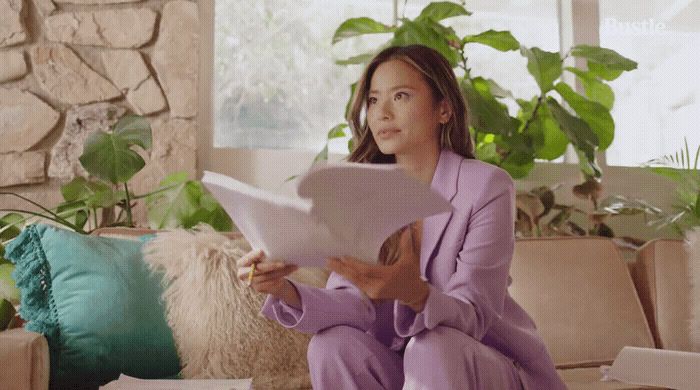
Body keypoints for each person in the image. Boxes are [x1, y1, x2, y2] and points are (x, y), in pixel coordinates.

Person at [236, 44, 566, 390]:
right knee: (331, 346)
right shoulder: (361, 195)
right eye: (374, 100)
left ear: (444, 109)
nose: (382, 113)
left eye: (401, 96)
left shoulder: (485, 186)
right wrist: (284, 290)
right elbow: (354, 304)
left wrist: (417, 296)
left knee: (433, 344)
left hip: (486, 366)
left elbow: (475, 314)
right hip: (411, 370)